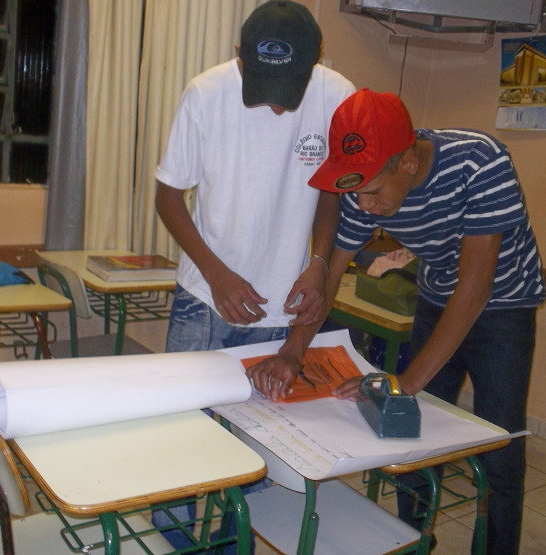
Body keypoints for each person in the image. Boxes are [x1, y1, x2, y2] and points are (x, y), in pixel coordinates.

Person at [246, 88, 546, 554]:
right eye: (356, 192)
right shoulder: (365, 186)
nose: (364, 206)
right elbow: (330, 275)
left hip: (503, 305)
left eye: (372, 191)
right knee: (413, 431)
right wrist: (292, 351)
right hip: (437, 296)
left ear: (407, 162)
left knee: (500, 444)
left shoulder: (480, 163)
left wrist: (408, 381)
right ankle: (416, 543)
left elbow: (475, 288)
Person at [152, 0, 355, 549]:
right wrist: (217, 274)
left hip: (283, 304)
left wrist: (317, 266)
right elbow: (169, 197)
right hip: (205, 299)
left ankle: (224, 543)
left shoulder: (339, 96)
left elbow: (332, 195)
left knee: (254, 445)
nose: (276, 106)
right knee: (182, 433)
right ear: (238, 57)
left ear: (316, 64)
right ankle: (172, 543)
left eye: (289, 86)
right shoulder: (206, 92)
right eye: (261, 82)